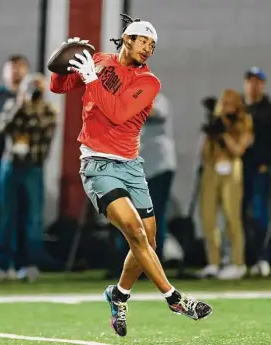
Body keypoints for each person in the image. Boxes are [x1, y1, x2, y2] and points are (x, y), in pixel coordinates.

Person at [50, 14, 212, 337]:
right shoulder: (99, 62)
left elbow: (118, 112)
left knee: (148, 240)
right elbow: (59, 86)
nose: (149, 48)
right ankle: (174, 298)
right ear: (127, 38)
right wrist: (65, 62)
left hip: (131, 166)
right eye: (144, 41)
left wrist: (92, 80)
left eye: (153, 45)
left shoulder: (149, 82)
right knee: (136, 234)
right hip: (98, 164)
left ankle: (119, 295)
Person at [0, 73, 57, 282]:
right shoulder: (13, 105)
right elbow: (2, 128)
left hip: (33, 166)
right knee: (6, 215)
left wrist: (32, 109)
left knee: (32, 218)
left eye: (37, 87)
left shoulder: (48, 111)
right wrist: (20, 105)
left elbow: (44, 133)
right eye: (30, 87)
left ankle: (29, 264)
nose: (34, 92)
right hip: (11, 165)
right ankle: (5, 265)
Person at [197, 89, 253, 280]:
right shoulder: (217, 121)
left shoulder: (244, 122)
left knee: (232, 217)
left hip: (231, 170)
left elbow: (238, 150)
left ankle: (238, 263)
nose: (226, 106)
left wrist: (224, 135)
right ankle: (213, 262)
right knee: (208, 217)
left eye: (230, 103)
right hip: (212, 170)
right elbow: (204, 154)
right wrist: (211, 132)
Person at [0, 55, 29, 277]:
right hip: (1, 163)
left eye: (20, 68)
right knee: (2, 213)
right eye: (12, 68)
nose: (16, 73)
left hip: (29, 163)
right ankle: (1, 263)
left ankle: (25, 263)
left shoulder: (34, 98)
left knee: (28, 215)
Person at [242, 67, 271, 277]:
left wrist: (266, 162)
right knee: (239, 215)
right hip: (239, 169)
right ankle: (245, 258)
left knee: (259, 214)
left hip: (258, 169)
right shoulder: (240, 107)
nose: (253, 85)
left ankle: (263, 257)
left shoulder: (269, 110)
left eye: (257, 81)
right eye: (250, 81)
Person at [140, 92, 177, 260]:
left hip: (160, 167)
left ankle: (155, 260)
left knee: (154, 215)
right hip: (141, 169)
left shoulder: (158, 98)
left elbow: (155, 113)